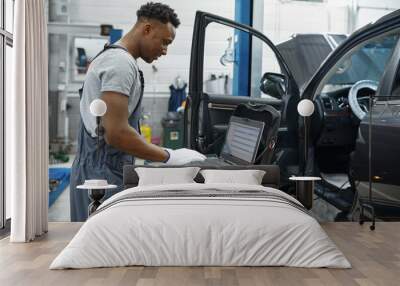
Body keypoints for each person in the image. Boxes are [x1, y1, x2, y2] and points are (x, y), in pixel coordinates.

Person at [70, 2, 206, 222]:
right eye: (164, 42)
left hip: (95, 166)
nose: (165, 50)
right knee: (105, 245)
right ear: (146, 29)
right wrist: (169, 156)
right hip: (102, 174)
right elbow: (115, 133)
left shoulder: (112, 57)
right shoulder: (121, 64)